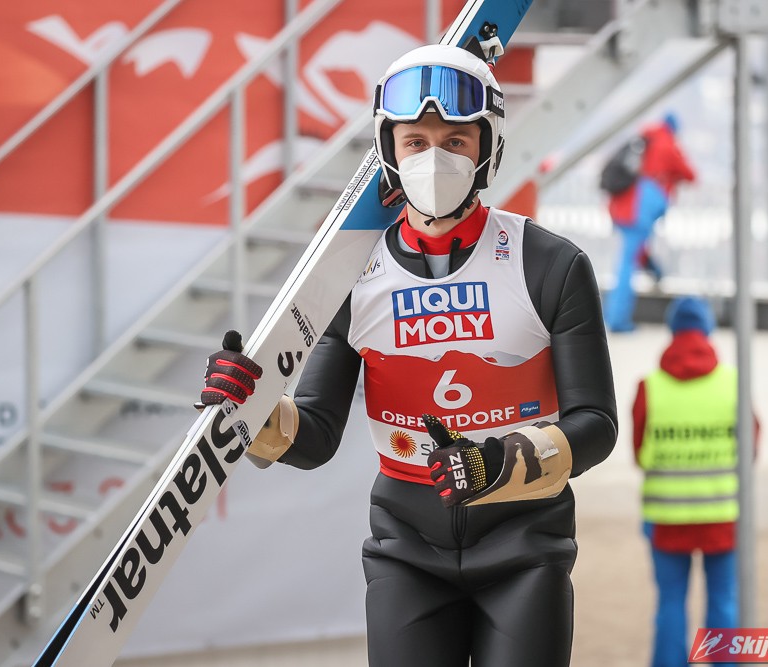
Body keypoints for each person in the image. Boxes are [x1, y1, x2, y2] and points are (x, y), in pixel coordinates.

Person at [199, 43, 618, 666]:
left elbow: (597, 425)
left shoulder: (549, 263)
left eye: (456, 141)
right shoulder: (351, 274)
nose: (434, 159)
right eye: (415, 142)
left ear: (488, 147)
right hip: (407, 552)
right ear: (388, 151)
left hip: (525, 547)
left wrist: (498, 462)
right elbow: (314, 437)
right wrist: (251, 410)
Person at [632, 296, 757, 667]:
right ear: (707, 329)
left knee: (670, 602)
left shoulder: (651, 386)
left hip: (666, 517)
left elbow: (640, 453)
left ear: (672, 330)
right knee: (724, 600)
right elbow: (751, 448)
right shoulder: (733, 383)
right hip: (723, 513)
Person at [604, 113, 696, 332]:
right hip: (640, 207)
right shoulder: (667, 144)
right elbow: (690, 174)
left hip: (624, 205)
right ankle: (617, 320)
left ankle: (653, 271)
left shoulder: (646, 139)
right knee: (627, 262)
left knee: (632, 256)